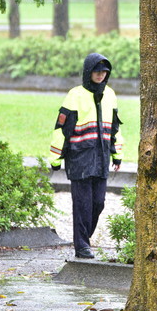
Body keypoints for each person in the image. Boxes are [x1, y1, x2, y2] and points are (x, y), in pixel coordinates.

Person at [49, 53, 123, 259]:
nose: (100, 75)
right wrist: (56, 157)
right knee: (82, 204)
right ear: (88, 72)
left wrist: (117, 153)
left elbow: (115, 127)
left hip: (101, 158)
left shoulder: (110, 95)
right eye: (97, 71)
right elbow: (62, 128)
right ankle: (82, 246)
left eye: (104, 72)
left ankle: (84, 240)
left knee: (98, 203)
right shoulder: (75, 95)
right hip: (79, 158)